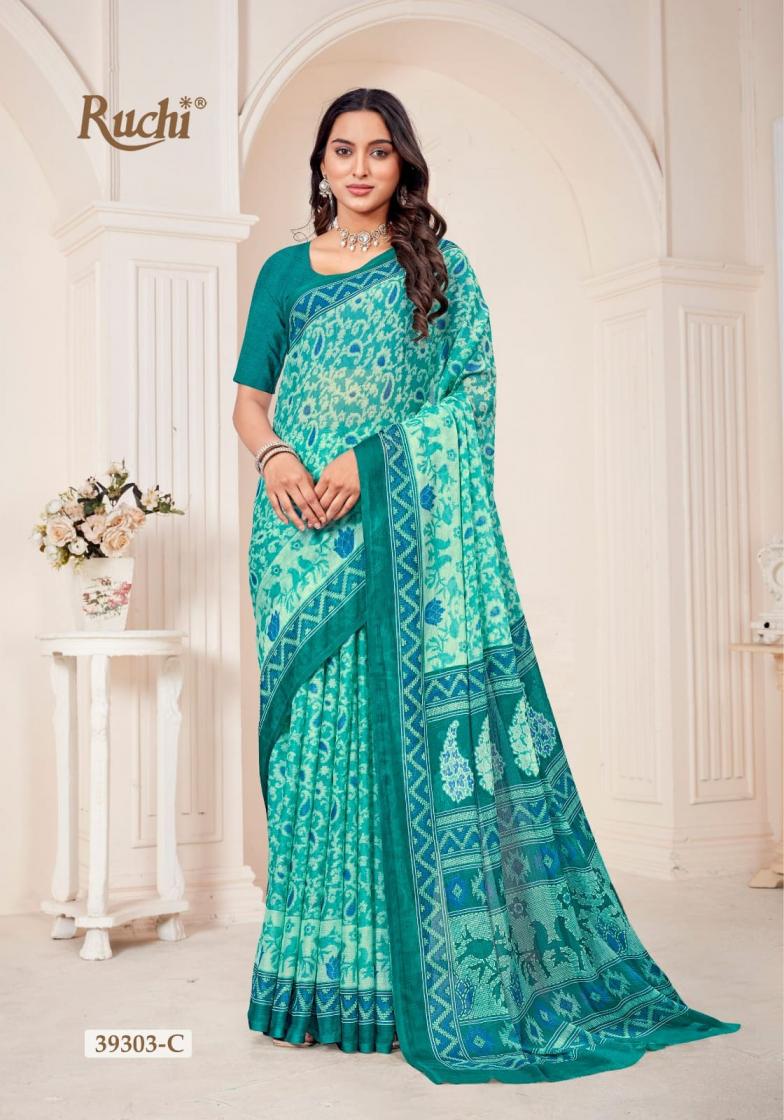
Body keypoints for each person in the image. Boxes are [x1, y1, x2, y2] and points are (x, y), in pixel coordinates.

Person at [232, 86, 740, 1086]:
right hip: (297, 540)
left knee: (388, 747)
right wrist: (279, 457)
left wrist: (371, 462)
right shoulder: (284, 272)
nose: (361, 168)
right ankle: (308, 987)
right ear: (321, 164)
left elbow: (470, 398)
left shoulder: (438, 268)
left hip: (396, 536)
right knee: (310, 760)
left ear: (403, 165)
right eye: (344, 150)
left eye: (380, 151)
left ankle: (402, 991)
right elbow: (250, 399)